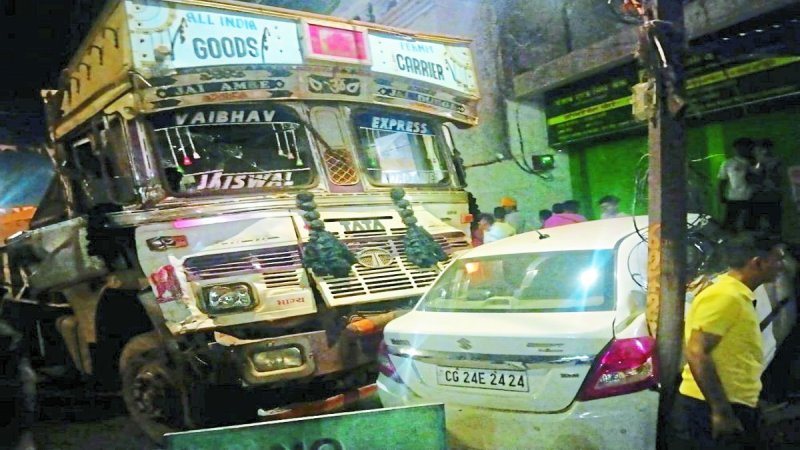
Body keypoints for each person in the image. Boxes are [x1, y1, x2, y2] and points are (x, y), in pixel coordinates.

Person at [671, 234, 785, 449]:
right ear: (758, 263)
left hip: (731, 403)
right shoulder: (725, 296)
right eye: (777, 259)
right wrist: (720, 412)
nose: (782, 266)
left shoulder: (737, 295)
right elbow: (697, 352)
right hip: (707, 407)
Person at [719, 138, 756, 232]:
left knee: (750, 225)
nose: (742, 150)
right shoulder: (728, 163)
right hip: (734, 197)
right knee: (729, 224)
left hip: (752, 197)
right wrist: (721, 195)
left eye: (745, 147)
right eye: (739, 147)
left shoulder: (756, 163)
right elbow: (723, 180)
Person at [750, 139, 783, 237]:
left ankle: (773, 236)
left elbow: (776, 178)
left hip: (771, 194)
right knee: (759, 221)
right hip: (759, 195)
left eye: (758, 149)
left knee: (773, 220)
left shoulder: (775, 162)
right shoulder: (756, 163)